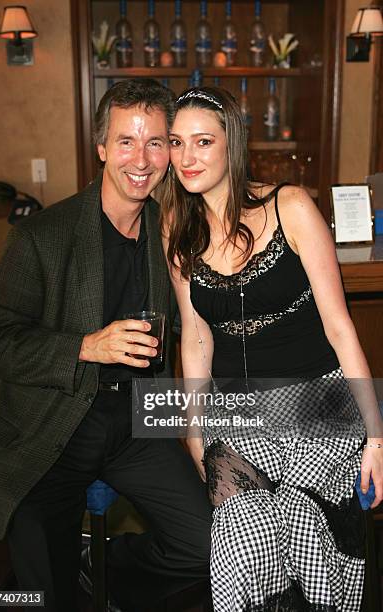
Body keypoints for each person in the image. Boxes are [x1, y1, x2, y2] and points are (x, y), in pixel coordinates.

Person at [0, 79, 212, 612]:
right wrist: (85, 346)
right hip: (51, 425)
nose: (142, 158)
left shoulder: (171, 229)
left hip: (135, 422)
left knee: (206, 546)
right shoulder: (42, 235)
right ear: (102, 148)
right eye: (126, 141)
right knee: (43, 595)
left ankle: (101, 565)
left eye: (156, 142)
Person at [160, 85, 383, 611]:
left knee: (304, 526)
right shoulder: (177, 225)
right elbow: (195, 339)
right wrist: (195, 436)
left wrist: (377, 437)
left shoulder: (291, 206)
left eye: (202, 142)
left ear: (231, 145)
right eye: (176, 142)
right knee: (239, 535)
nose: (186, 157)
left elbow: (339, 328)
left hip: (320, 406)